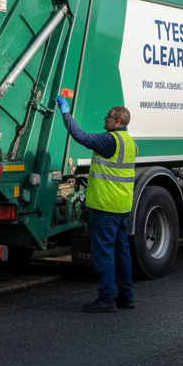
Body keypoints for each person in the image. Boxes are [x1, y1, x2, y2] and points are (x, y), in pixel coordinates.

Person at [56, 96, 137, 313]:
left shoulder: (110, 141)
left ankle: (107, 298)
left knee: (104, 253)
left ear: (118, 121)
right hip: (122, 206)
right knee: (122, 252)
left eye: (109, 116)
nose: (105, 119)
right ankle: (126, 296)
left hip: (106, 206)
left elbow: (81, 137)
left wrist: (65, 113)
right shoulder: (130, 143)